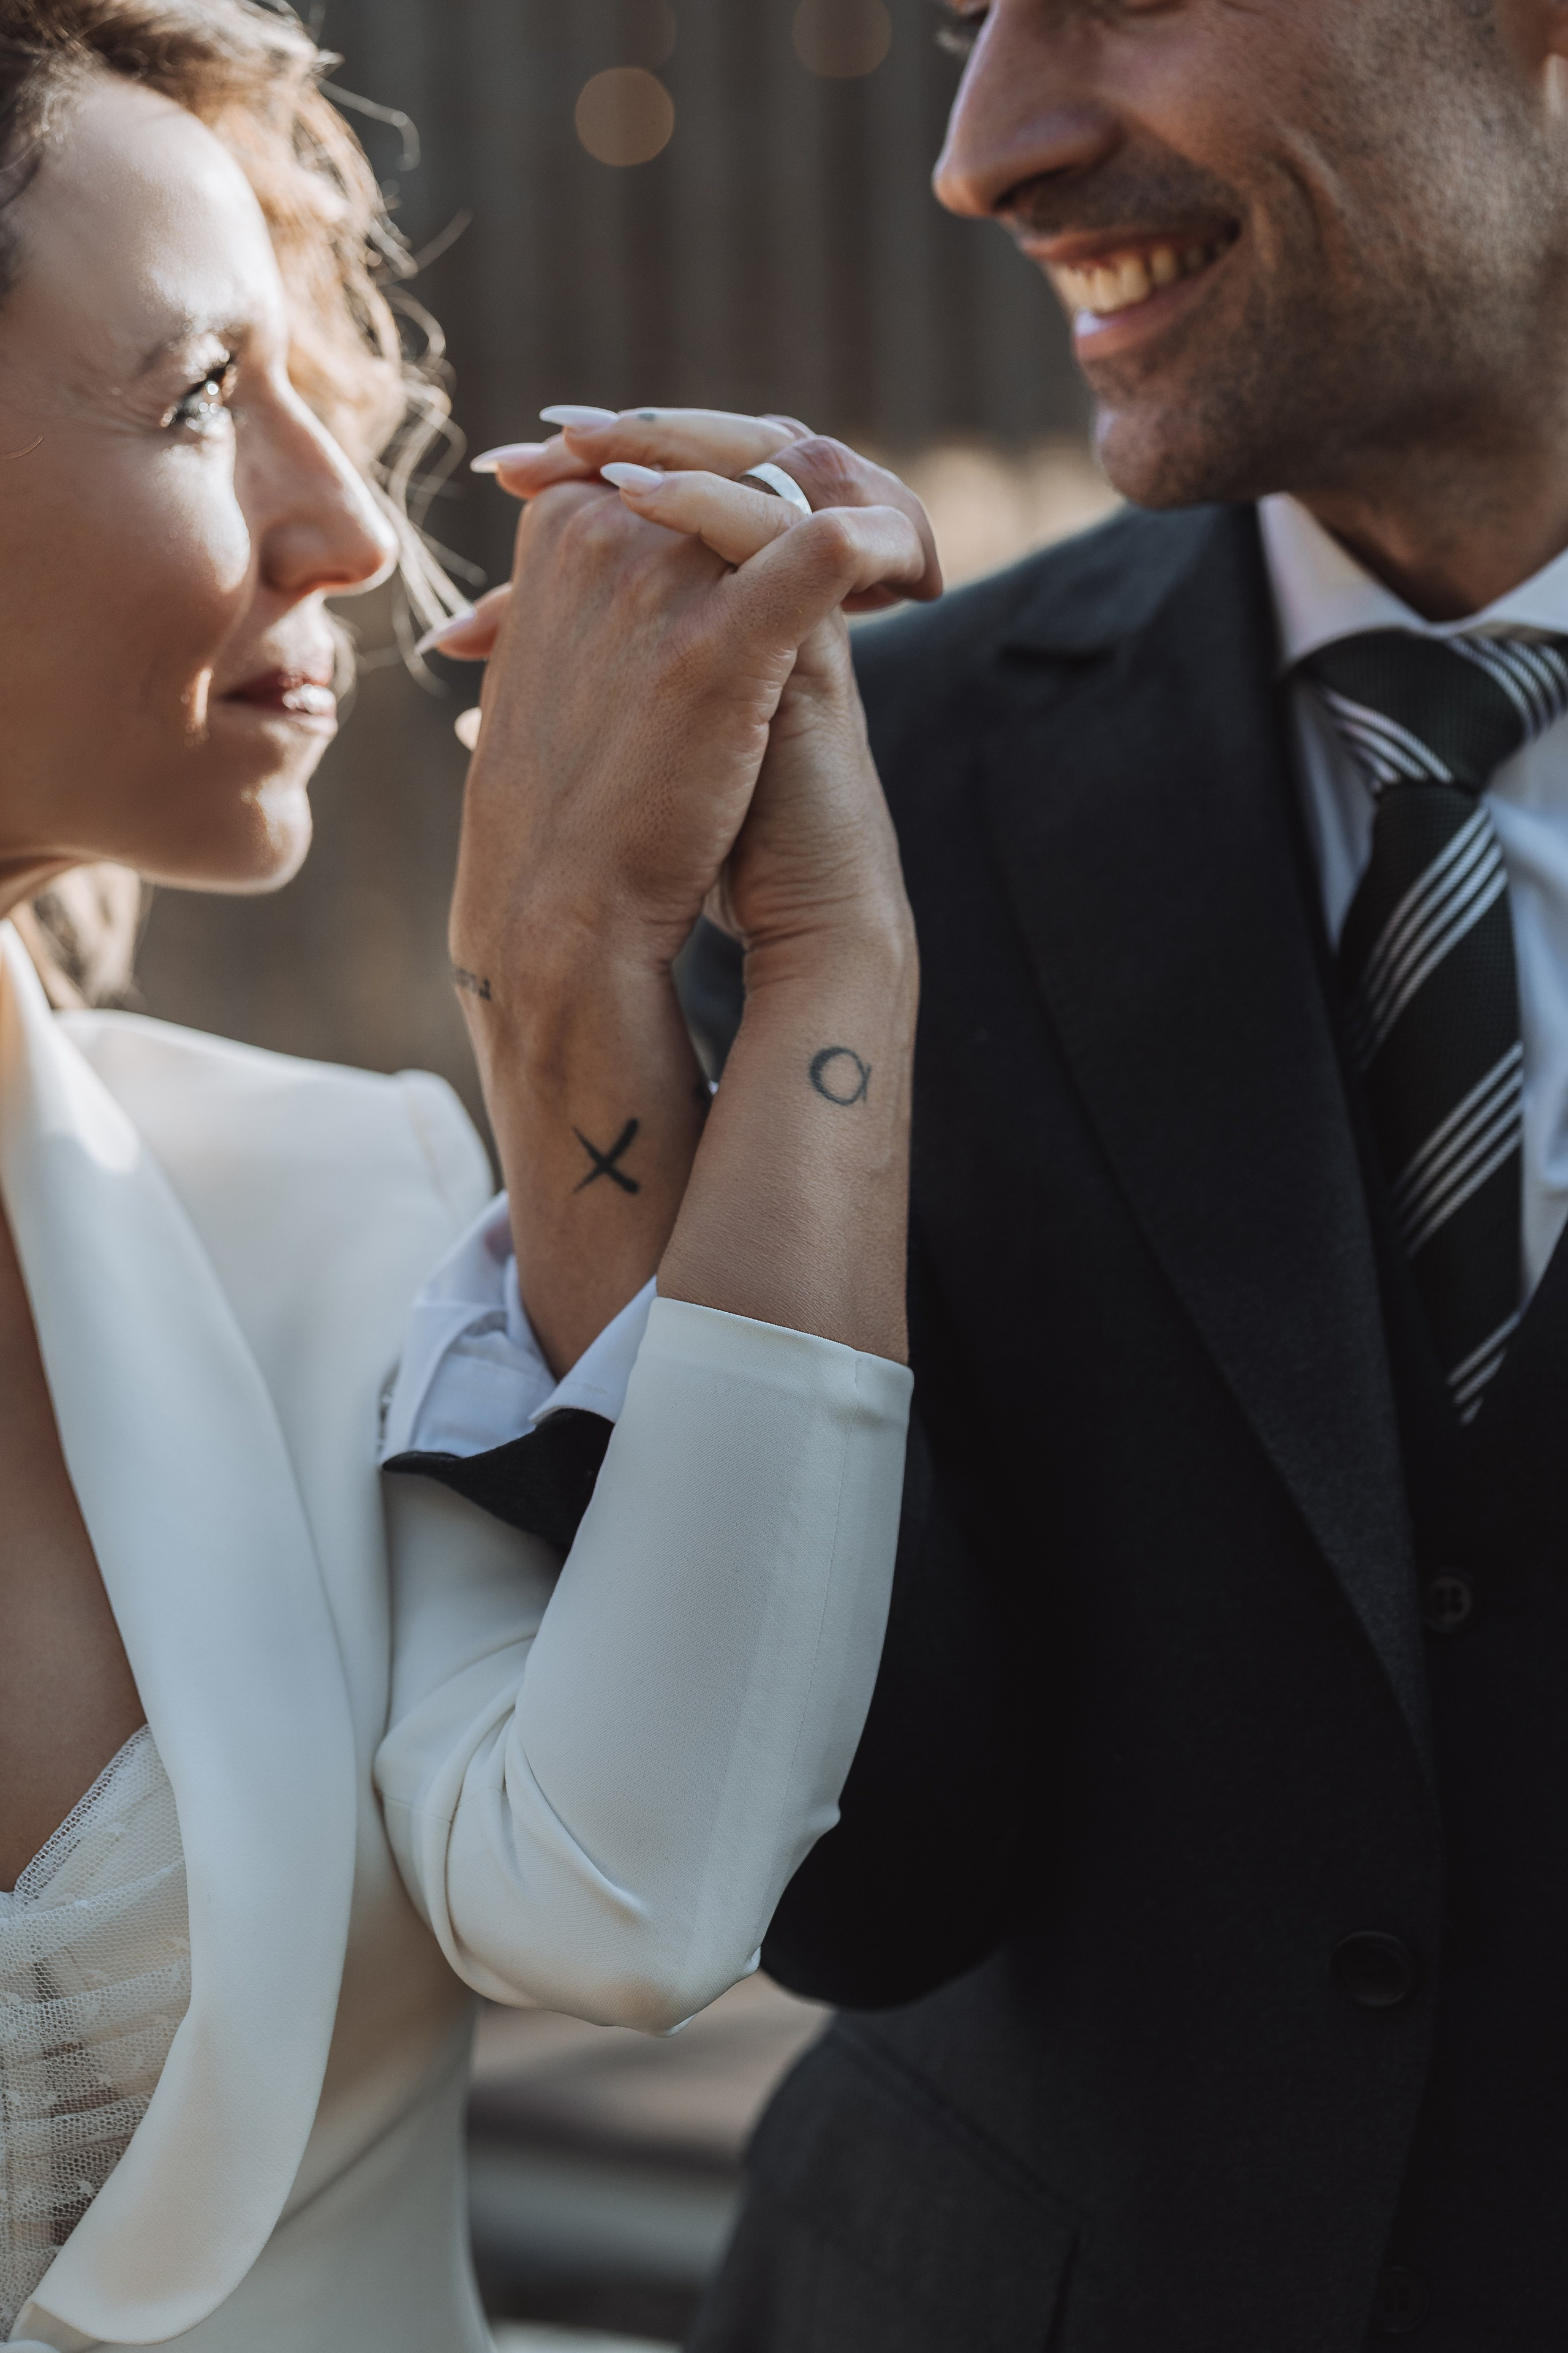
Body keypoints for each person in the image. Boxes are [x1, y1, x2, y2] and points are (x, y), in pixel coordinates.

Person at [423, 0, 1568, 2344]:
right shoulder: (879, 797)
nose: (984, 147)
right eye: (968, 18)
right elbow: (861, 1873)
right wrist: (576, 987)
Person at [0, 6, 937, 2348]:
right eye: (211, 394)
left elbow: (633, 1885)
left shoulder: (332, 1206)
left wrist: (801, 955)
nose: (345, 525)